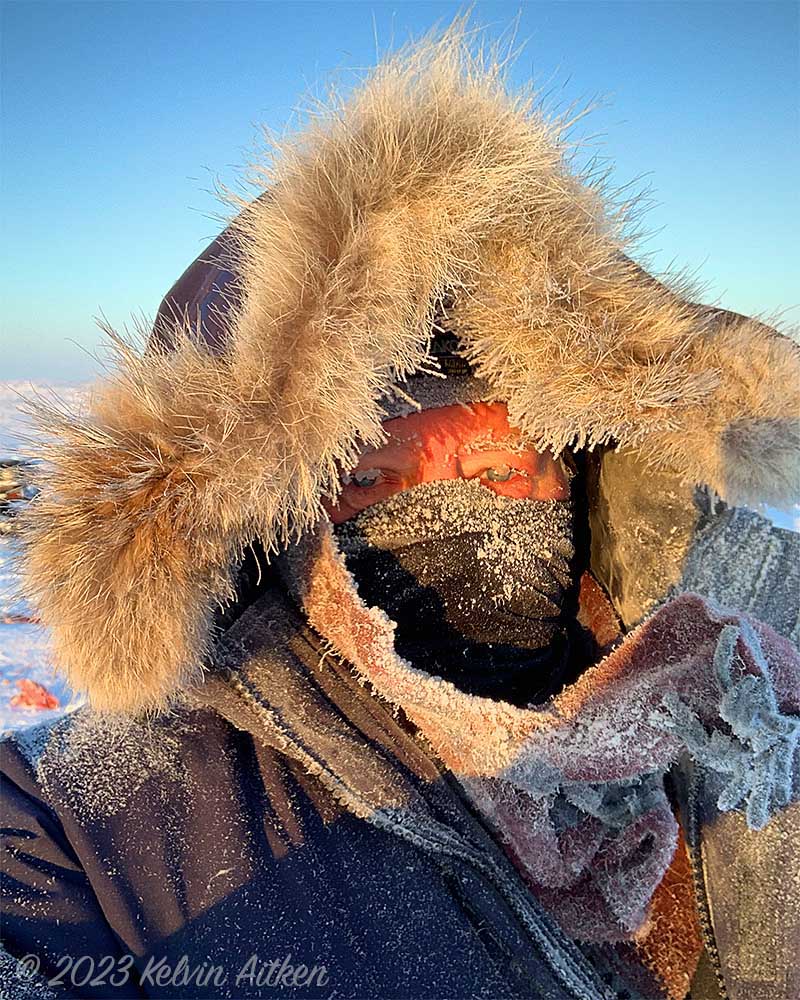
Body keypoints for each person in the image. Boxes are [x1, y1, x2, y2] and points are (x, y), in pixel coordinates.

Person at [2, 21, 799, 1000]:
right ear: (279, 530)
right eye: (375, 481)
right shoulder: (85, 823)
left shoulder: (743, 711)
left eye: (502, 468)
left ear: (585, 478)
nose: (459, 511)